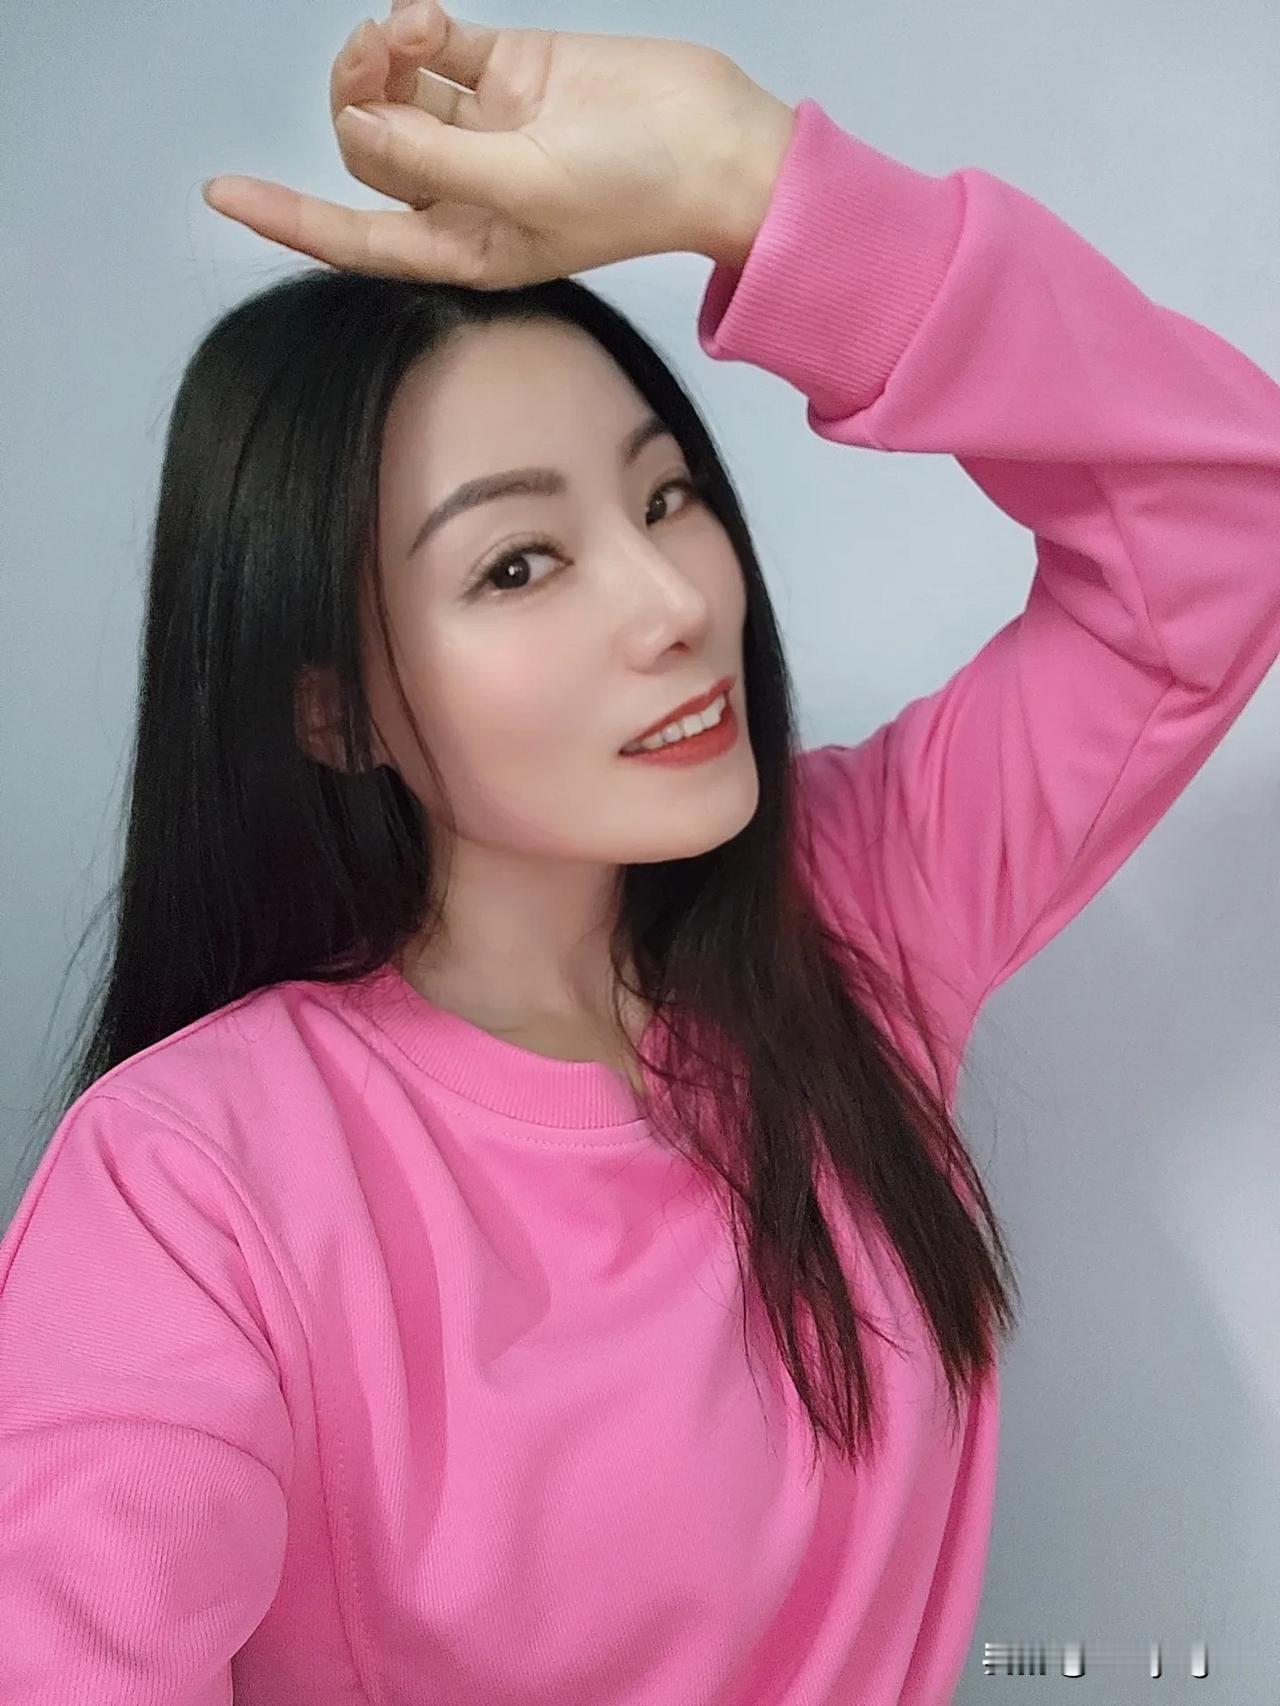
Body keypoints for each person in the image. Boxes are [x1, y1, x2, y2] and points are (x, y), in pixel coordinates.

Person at [4, 4, 1279, 1703]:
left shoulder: (856, 910)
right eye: (519, 564)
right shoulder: (193, 1182)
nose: (677, 601)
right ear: (336, 708)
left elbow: (1227, 522)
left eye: (667, 494)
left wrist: (742, 179)